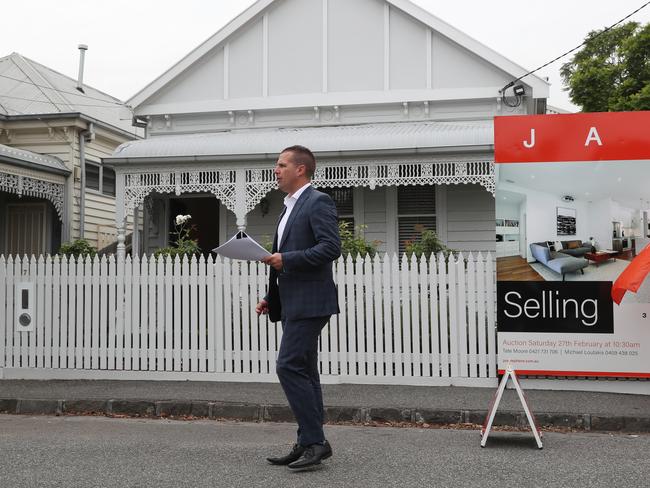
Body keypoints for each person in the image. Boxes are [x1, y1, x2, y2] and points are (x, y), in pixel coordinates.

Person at [256, 145, 341, 470]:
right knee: (305, 371)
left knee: (288, 366)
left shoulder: (317, 201)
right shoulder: (286, 207)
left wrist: (286, 259)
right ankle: (308, 441)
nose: (276, 170)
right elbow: (280, 260)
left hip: (312, 301)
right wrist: (270, 297)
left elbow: (330, 248)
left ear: (300, 169)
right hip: (291, 301)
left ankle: (316, 442)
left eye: (281, 165)